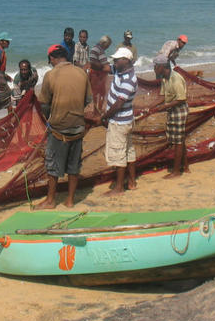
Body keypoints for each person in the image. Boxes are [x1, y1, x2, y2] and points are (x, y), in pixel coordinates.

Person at [36, 45, 92, 210]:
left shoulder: (50, 75)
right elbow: (88, 100)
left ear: (52, 59)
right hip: (78, 126)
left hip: (58, 128)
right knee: (74, 166)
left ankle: (51, 200)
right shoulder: (81, 73)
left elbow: (44, 104)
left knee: (52, 165)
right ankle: (70, 200)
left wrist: (48, 118)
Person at [96, 47, 138, 195]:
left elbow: (119, 104)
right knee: (128, 151)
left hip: (120, 121)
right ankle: (132, 182)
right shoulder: (119, 70)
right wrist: (94, 58)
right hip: (126, 121)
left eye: (117, 59)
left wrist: (104, 116)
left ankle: (119, 187)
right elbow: (105, 67)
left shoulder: (129, 79)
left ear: (125, 60)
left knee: (119, 153)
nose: (114, 61)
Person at [151, 54, 189, 177]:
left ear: (162, 67)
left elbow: (181, 99)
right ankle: (186, 166)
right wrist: (152, 107)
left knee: (178, 141)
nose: (154, 69)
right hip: (172, 110)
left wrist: (163, 107)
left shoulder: (175, 79)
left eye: (156, 66)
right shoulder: (165, 79)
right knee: (179, 140)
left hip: (179, 110)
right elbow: (163, 97)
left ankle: (176, 171)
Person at [88, 35, 112, 112]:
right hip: (97, 74)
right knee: (100, 93)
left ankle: (97, 110)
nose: (107, 47)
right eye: (107, 45)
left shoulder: (95, 48)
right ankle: (98, 110)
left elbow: (94, 62)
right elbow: (103, 65)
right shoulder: (99, 50)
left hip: (95, 73)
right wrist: (105, 67)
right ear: (104, 43)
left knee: (96, 93)